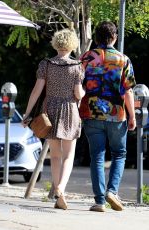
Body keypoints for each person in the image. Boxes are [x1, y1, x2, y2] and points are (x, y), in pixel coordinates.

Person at [22, 28, 85, 210]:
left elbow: (36, 91)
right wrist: (84, 92)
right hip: (69, 111)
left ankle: (58, 193)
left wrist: (27, 114)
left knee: (55, 155)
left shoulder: (46, 64)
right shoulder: (76, 66)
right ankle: (60, 189)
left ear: (56, 43)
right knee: (68, 155)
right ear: (72, 44)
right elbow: (78, 94)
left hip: (49, 110)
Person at [79, 21, 136, 212]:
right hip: (116, 115)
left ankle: (99, 201)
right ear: (114, 37)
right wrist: (132, 116)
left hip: (91, 113)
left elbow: (77, 86)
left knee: (97, 156)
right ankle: (112, 191)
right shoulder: (123, 59)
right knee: (119, 153)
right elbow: (127, 91)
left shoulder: (86, 58)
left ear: (95, 38)